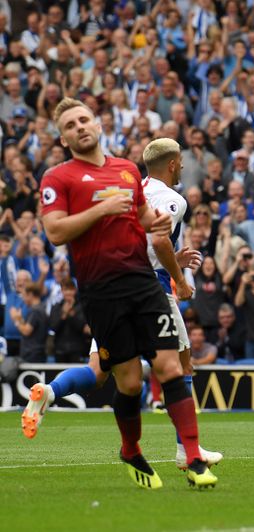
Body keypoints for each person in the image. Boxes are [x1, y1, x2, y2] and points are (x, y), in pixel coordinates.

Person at [21, 99, 217, 489]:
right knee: (127, 382)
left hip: (145, 283)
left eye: (84, 119)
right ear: (63, 138)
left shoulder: (126, 170)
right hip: (101, 290)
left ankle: (194, 458)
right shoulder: (58, 178)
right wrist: (101, 208)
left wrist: (155, 224)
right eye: (71, 124)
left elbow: (142, 217)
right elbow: (56, 232)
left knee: (171, 366)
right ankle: (131, 449)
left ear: (96, 124)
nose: (80, 126)